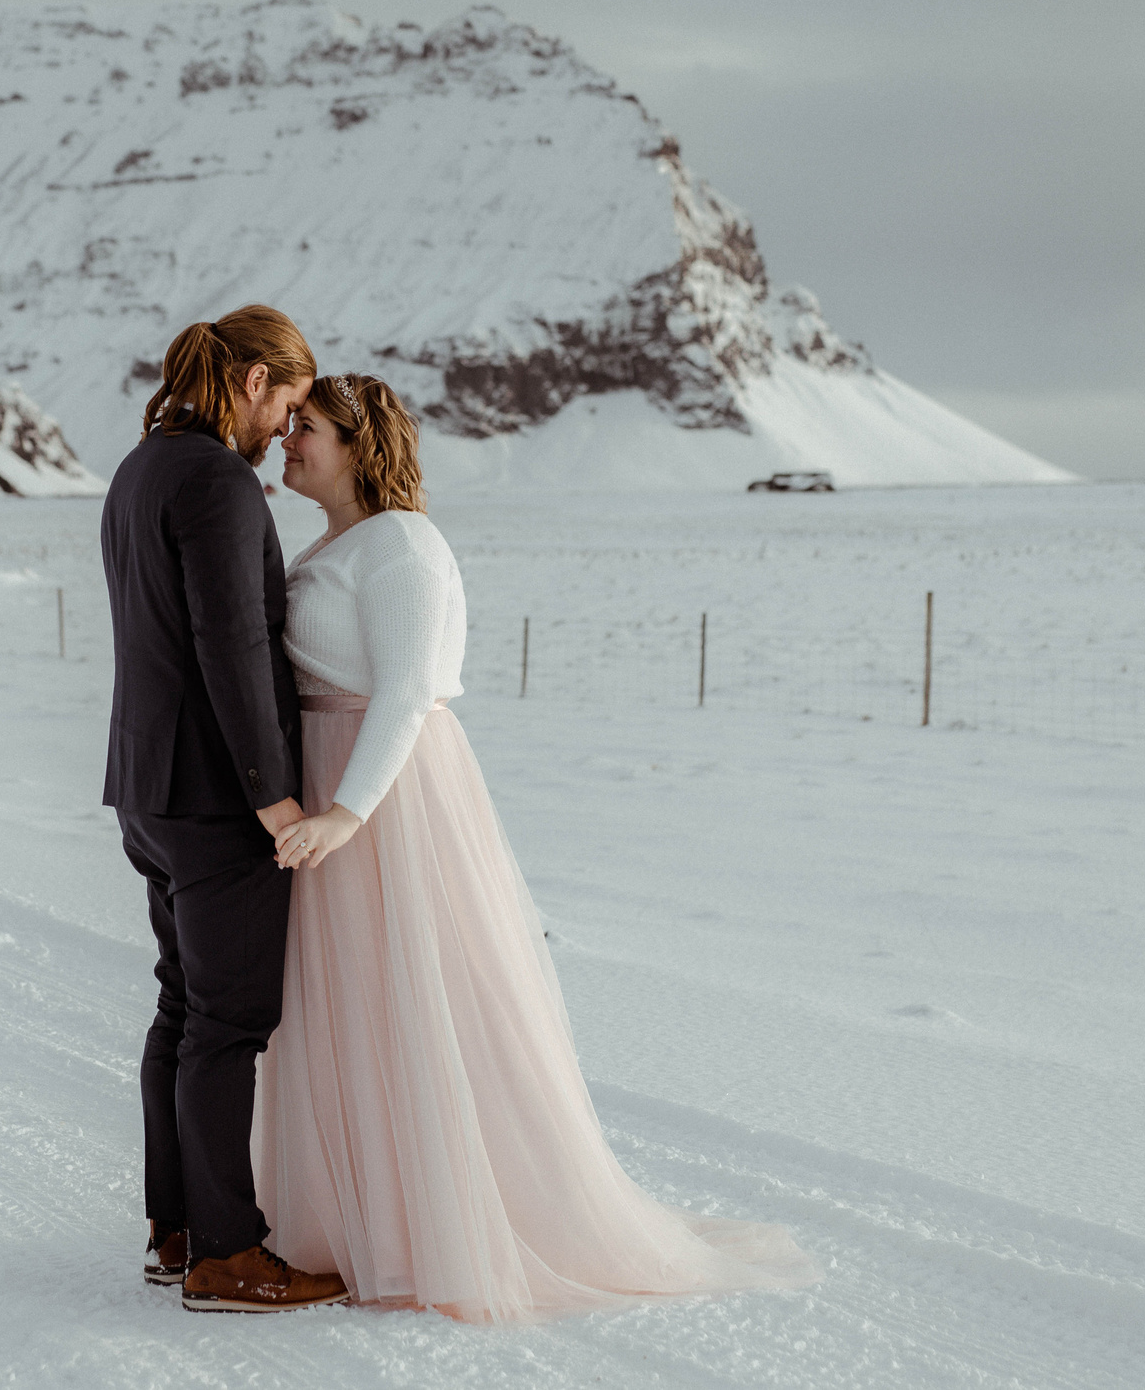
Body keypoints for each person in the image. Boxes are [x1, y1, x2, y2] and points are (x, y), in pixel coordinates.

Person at [255, 373, 820, 1323]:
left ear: (358, 444)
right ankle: (360, 1217)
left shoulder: (402, 544)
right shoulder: (334, 543)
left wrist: (346, 814)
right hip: (329, 780)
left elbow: (407, 692)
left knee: (418, 1000)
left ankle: (441, 1224)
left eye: (306, 427)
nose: (288, 440)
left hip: (383, 795)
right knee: (350, 1003)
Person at [98, 305, 349, 1314]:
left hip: (147, 789)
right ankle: (225, 1255)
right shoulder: (216, 479)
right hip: (214, 799)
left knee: (182, 1006)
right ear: (252, 383)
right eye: (288, 404)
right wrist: (272, 795)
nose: (285, 427)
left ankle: (175, 1232)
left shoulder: (139, 469)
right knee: (228, 1022)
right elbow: (231, 642)